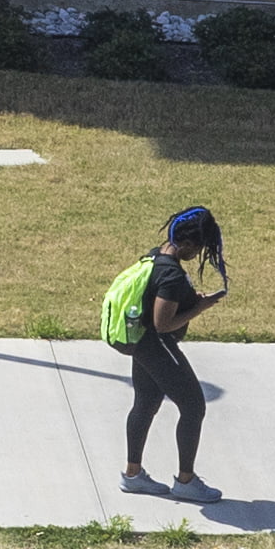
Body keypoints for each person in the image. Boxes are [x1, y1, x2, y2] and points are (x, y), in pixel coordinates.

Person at [115, 201, 224, 490]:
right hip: (156, 345)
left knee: (146, 403)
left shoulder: (156, 256)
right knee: (193, 406)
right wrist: (201, 306)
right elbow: (163, 323)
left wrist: (189, 300)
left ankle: (132, 475)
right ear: (187, 243)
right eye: (198, 249)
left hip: (141, 343)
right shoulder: (172, 275)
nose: (198, 254)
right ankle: (186, 482)